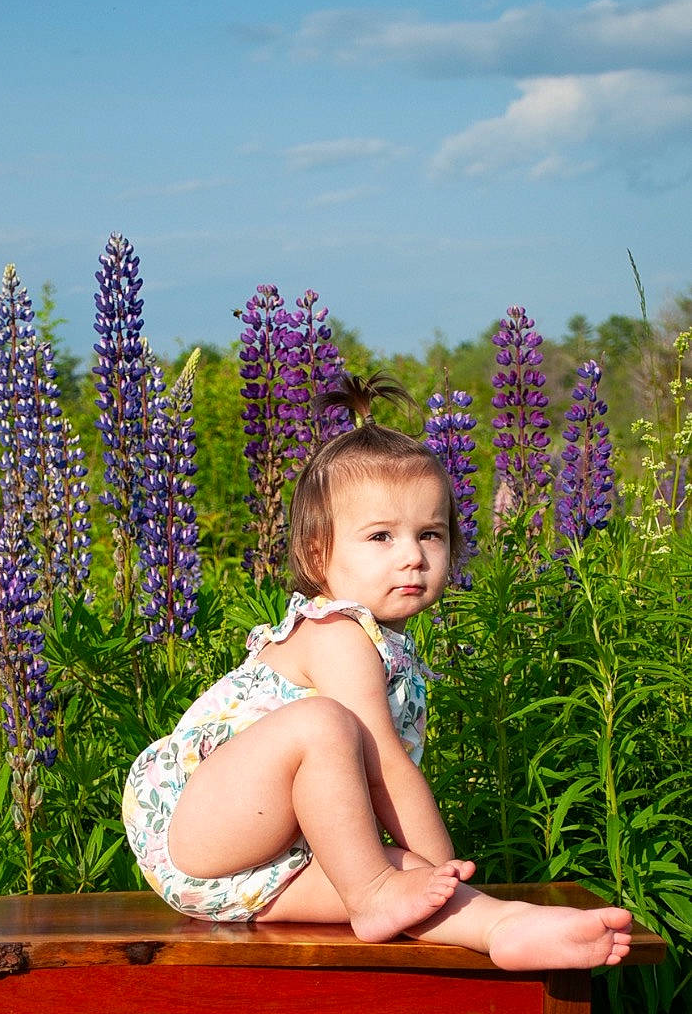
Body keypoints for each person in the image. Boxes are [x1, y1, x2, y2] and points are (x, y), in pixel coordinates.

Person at [122, 384, 632, 970]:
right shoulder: (337, 633)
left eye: (430, 534)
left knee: (416, 885)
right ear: (318, 555)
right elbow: (387, 763)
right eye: (381, 536)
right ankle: (373, 896)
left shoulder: (388, 644)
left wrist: (440, 880)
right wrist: (442, 860)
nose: (412, 555)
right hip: (199, 832)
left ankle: (506, 930)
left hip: (255, 873)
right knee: (324, 726)